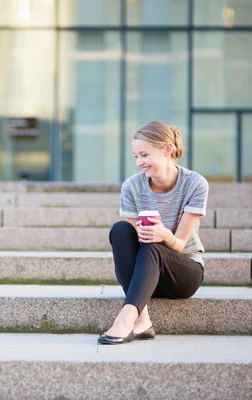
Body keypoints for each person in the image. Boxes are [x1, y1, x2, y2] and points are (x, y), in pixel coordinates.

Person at [98, 121, 208, 345]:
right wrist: (144, 233)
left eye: (144, 155)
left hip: (183, 273)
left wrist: (164, 234)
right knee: (121, 229)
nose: (139, 162)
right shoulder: (132, 186)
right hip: (146, 276)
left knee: (155, 246)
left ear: (167, 149)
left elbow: (179, 244)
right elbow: (132, 243)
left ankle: (126, 318)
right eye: (136, 156)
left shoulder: (195, 184)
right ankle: (143, 318)